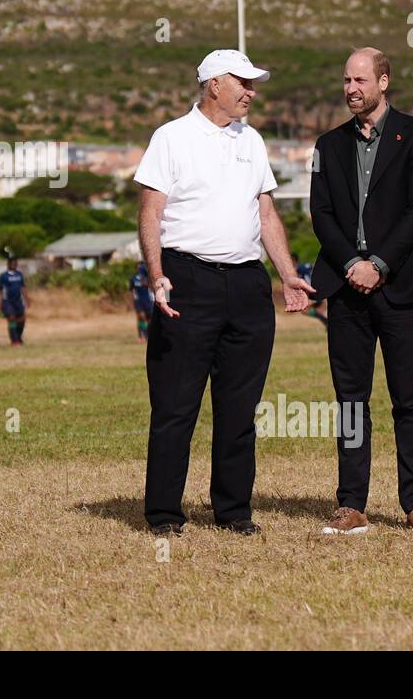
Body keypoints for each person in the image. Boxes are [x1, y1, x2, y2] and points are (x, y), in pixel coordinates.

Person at [135, 49, 314, 537]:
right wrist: (157, 276)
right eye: (244, 82)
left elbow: (267, 213)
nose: (252, 92)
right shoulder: (171, 137)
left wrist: (287, 274)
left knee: (239, 409)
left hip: (247, 285)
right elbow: (150, 212)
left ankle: (233, 511)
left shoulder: (252, 140)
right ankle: (165, 514)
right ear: (215, 84)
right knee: (176, 404)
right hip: (187, 279)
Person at [309, 48, 413, 536]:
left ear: (384, 82)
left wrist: (380, 265)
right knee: (349, 400)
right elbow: (320, 213)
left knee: (408, 397)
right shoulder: (328, 144)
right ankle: (351, 504)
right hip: (346, 289)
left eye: (360, 79)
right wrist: (352, 264)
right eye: (345, 79)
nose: (351, 88)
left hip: (400, 288)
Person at [0, 255, 29, 346]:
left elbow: (23, 287)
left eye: (15, 263)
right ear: (8, 264)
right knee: (11, 318)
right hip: (7, 302)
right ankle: (14, 341)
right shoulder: (3, 276)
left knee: (22, 320)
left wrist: (27, 299)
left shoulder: (19, 274)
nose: (14, 265)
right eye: (12, 263)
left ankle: (18, 337)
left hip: (18, 301)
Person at [130, 260, 154, 341]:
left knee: (149, 319)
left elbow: (152, 287)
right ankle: (141, 336)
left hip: (148, 300)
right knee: (141, 317)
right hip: (139, 301)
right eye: (139, 267)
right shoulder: (133, 278)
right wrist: (131, 301)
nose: (140, 268)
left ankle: (147, 335)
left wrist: (146, 282)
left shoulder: (148, 278)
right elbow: (131, 290)